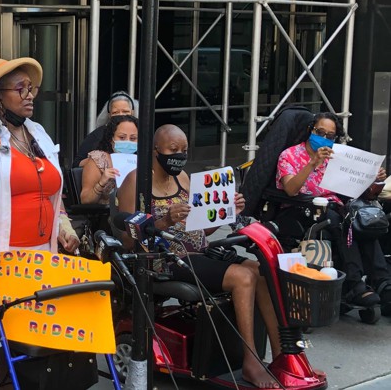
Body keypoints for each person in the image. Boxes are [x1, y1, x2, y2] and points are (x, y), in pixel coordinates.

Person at [117, 124, 282, 388]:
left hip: (199, 251)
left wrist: (224, 211)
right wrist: (164, 221)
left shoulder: (182, 177)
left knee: (260, 271)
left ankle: (280, 355)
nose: (179, 156)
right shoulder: (136, 182)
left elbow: (201, 227)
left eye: (184, 150)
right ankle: (251, 362)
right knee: (242, 277)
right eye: (173, 150)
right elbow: (127, 238)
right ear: (156, 149)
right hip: (166, 258)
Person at [0, 57, 81, 387]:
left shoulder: (37, 132)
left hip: (40, 260)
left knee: (22, 349)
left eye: (32, 88)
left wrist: (63, 226)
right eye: (20, 88)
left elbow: (53, 192)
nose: (30, 95)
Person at [276, 112, 390, 307]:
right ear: (310, 130)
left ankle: (383, 282)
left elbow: (366, 194)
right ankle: (355, 285)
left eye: (330, 135)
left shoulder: (336, 158)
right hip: (300, 207)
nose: (325, 138)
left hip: (335, 207)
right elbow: (291, 189)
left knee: (363, 220)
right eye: (320, 132)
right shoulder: (289, 155)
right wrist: (312, 163)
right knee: (338, 221)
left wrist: (376, 180)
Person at [79, 114, 139, 205]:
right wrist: (102, 182)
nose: (127, 141)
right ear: (111, 138)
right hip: (107, 215)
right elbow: (85, 199)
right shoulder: (98, 160)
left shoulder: (142, 160)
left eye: (133, 138)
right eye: (122, 137)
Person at [72, 91, 138, 167]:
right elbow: (77, 163)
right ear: (109, 115)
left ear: (132, 113)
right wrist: (98, 160)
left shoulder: (141, 133)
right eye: (116, 112)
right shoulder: (97, 135)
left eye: (125, 111)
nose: (121, 115)